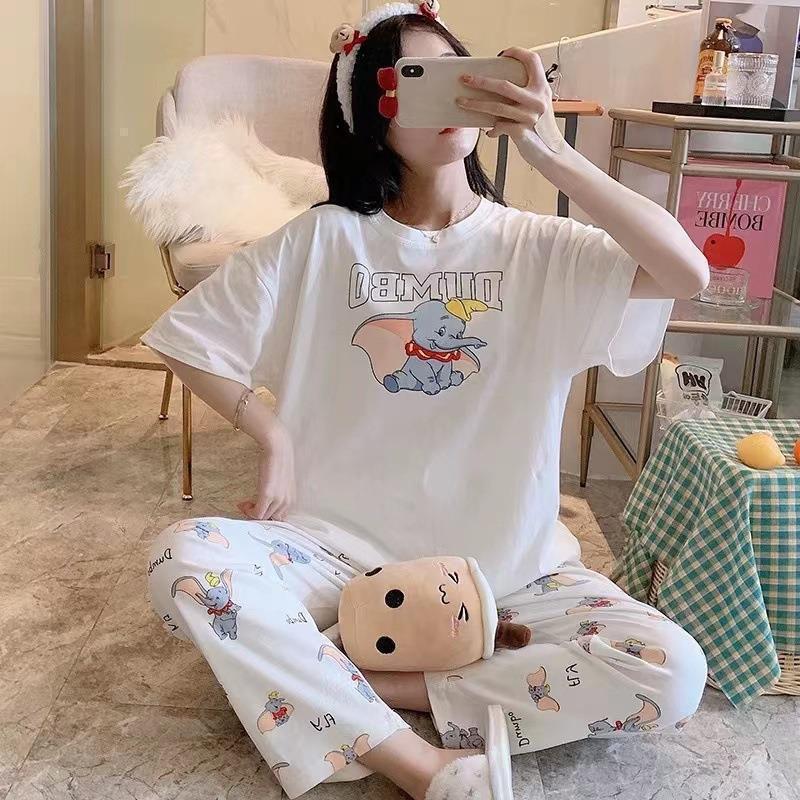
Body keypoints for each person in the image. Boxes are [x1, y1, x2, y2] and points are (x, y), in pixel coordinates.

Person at [141, 3, 710, 799]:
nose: (445, 93)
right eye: (414, 77)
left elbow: (687, 274)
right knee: (185, 559)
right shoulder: (323, 240)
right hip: (337, 560)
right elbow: (186, 337)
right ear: (371, 111)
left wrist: (551, 152)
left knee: (672, 671)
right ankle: (416, 763)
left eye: (456, 73)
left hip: (510, 574)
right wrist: (272, 434)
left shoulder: (540, 248)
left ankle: (353, 679)